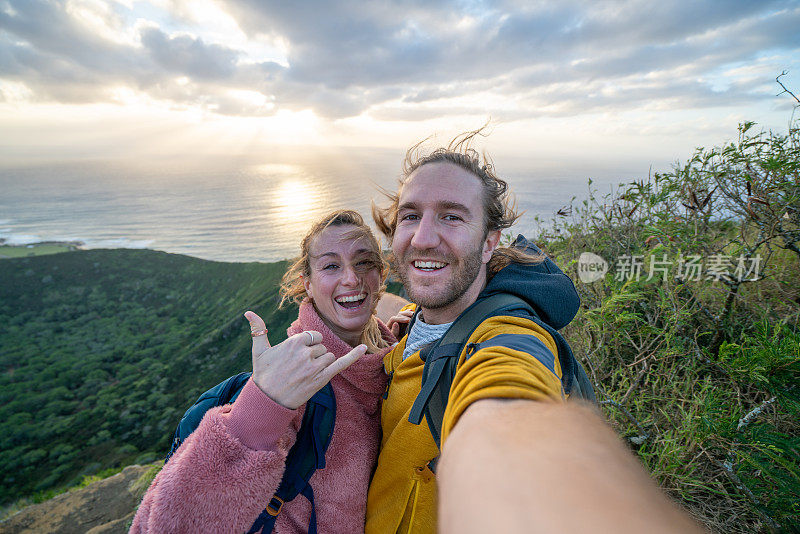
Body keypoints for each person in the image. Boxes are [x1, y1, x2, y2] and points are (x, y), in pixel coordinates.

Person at [365, 130, 702, 533]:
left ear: (489, 243)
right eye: (410, 215)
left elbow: (507, 415)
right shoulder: (413, 319)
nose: (422, 237)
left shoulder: (505, 337)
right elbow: (389, 302)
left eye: (451, 216)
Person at [131, 210, 401, 533]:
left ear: (381, 274)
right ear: (308, 285)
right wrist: (262, 407)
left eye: (364, 262)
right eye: (331, 266)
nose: (351, 279)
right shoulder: (292, 387)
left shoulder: (390, 363)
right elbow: (160, 526)